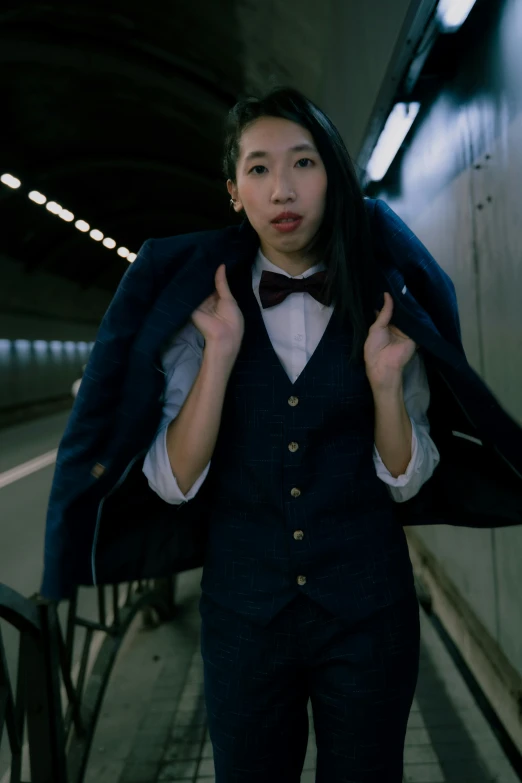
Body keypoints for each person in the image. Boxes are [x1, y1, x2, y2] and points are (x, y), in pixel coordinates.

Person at [142, 87, 439, 782]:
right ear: (234, 193)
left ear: (332, 178)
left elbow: (407, 475)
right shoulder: (200, 306)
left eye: (303, 162)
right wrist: (217, 353)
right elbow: (175, 480)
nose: (283, 188)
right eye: (258, 168)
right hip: (245, 620)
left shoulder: (385, 296)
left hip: (369, 613)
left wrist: (388, 383)